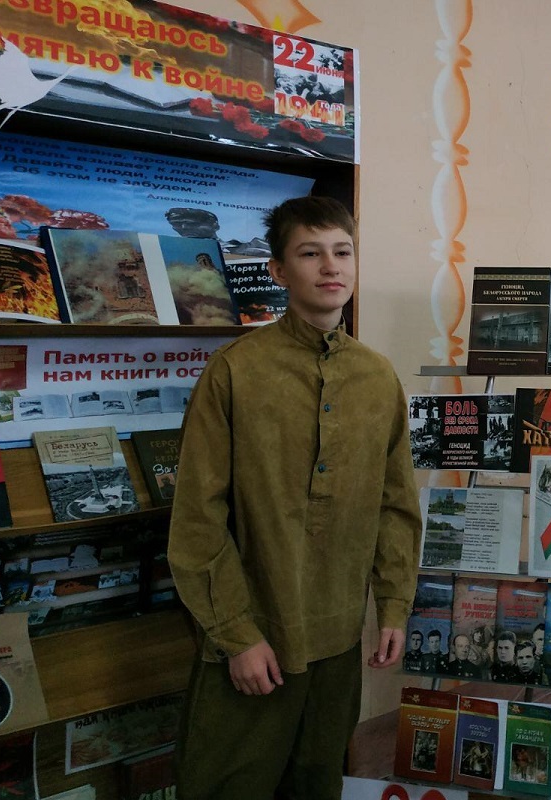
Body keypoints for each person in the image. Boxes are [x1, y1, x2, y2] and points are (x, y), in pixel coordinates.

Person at [168, 195, 422, 800]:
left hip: (339, 641)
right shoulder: (235, 372)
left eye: (343, 252)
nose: (331, 267)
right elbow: (198, 517)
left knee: (316, 783)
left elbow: (396, 506)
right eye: (310, 253)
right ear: (279, 271)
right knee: (228, 788)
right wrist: (237, 634)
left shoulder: (377, 377)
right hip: (253, 640)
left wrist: (393, 605)